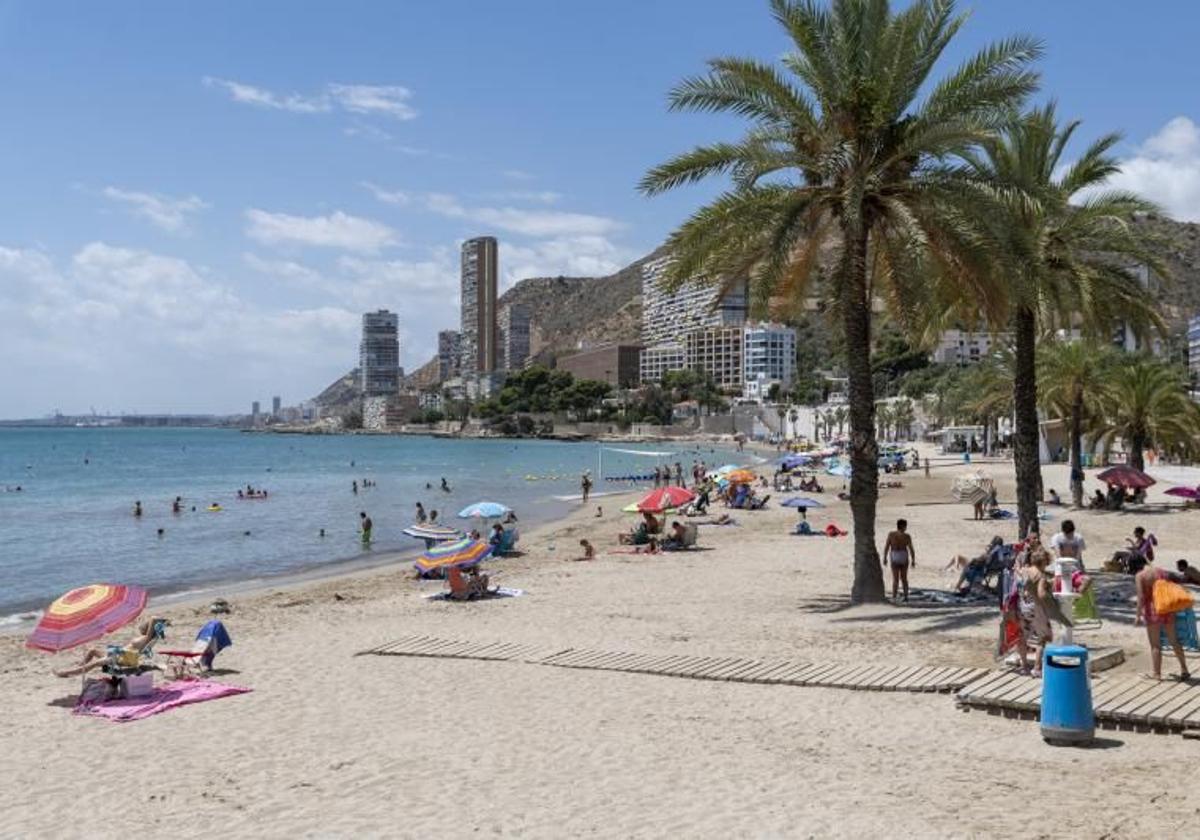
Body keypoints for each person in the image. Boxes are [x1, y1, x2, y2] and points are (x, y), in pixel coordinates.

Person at [54, 616, 169, 677]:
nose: (141, 627)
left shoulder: (147, 638)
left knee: (94, 664)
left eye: (144, 626)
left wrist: (163, 622)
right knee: (92, 651)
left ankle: (67, 672)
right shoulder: (144, 638)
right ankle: (80, 667)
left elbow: (154, 618)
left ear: (148, 628)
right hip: (118, 654)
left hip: (123, 658)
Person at [1135, 564, 1191, 681]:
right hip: (1167, 608)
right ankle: (1184, 669)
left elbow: (1141, 597)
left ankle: (1157, 674)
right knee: (1174, 641)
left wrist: (1138, 615)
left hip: (1152, 611)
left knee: (1155, 645)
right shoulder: (1161, 572)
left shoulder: (1140, 576)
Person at [1017, 549, 1054, 677]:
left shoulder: (1024, 571)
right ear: (1043, 561)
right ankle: (1037, 668)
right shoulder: (1040, 575)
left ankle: (1024, 666)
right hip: (1036, 609)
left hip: (1023, 606)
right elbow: (1041, 594)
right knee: (1042, 638)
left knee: (1023, 636)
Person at [881, 519, 915, 602]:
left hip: (895, 555)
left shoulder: (891, 535)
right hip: (903, 555)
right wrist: (913, 560)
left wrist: (885, 558)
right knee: (903, 578)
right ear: (903, 526)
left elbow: (887, 546)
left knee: (896, 579)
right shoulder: (907, 536)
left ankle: (894, 597)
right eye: (905, 526)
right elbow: (911, 549)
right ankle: (905, 597)